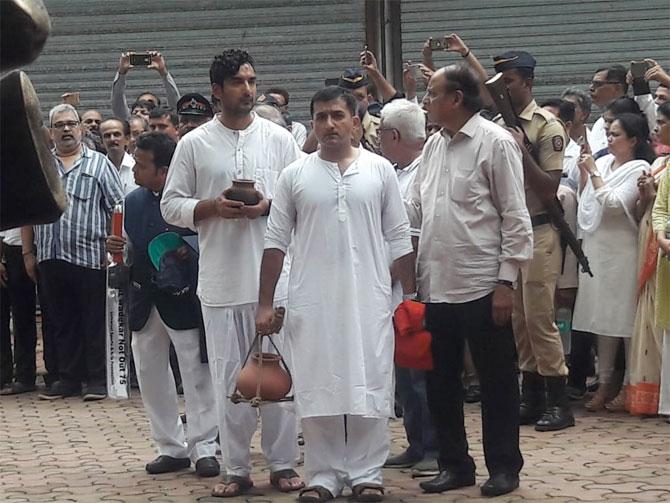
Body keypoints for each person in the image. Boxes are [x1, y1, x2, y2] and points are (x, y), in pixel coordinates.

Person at [256, 85, 415, 503]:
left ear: (356, 123)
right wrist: (265, 302)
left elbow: (399, 237)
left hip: (370, 297)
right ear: (312, 124)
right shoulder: (295, 174)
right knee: (318, 384)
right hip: (313, 299)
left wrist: (412, 299)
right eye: (321, 117)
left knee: (370, 382)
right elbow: (274, 242)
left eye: (337, 116)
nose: (328, 124)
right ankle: (323, 474)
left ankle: (366, 472)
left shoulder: (380, 170)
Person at [160, 49, 303, 498]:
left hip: (276, 281)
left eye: (253, 81)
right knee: (228, 379)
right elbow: (171, 205)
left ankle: (282, 465)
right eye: (239, 82)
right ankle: (237, 468)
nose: (249, 89)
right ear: (218, 91)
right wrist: (211, 208)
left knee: (281, 375)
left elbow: (302, 198)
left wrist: (267, 208)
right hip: (221, 282)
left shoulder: (279, 140)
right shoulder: (194, 143)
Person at [407, 64, 532, 497]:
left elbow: (515, 217)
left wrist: (506, 283)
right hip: (436, 285)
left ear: (456, 99)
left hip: (483, 285)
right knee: (441, 383)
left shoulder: (494, 143)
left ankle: (503, 467)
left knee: (496, 382)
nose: (426, 100)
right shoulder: (433, 147)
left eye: (432, 92)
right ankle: (454, 464)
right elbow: (415, 211)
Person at [106, 132, 220, 478]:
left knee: (196, 371)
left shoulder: (192, 199)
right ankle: (169, 446)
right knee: (151, 370)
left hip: (183, 295)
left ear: (164, 170)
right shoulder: (132, 200)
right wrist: (117, 249)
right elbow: (125, 248)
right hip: (145, 296)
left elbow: (209, 243)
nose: (135, 170)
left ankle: (204, 447)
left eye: (141, 164)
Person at [490, 51, 574, 431]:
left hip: (540, 228)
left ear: (527, 83)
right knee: (519, 321)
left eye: (509, 81)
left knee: (540, 318)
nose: (504, 88)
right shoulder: (496, 124)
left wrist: (520, 148)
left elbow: (548, 188)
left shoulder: (547, 127)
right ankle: (532, 396)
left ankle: (560, 402)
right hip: (511, 233)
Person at [32, 104, 124, 401]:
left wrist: (114, 247)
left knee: (93, 320)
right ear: (50, 132)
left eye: (72, 124)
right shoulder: (42, 166)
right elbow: (30, 211)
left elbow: (117, 206)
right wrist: (28, 254)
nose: (67, 129)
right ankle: (68, 379)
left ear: (82, 129)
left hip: (90, 256)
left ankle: (97, 379)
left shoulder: (98, 164)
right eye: (60, 125)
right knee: (62, 321)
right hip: (51, 255)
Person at [573, 113, 654, 411]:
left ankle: (632, 384)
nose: (609, 139)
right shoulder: (605, 164)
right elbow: (588, 204)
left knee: (624, 320)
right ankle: (605, 382)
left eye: (616, 134)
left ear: (633, 140)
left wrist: (593, 171)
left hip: (622, 251)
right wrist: (591, 172)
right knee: (601, 320)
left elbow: (615, 205)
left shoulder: (639, 167)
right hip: (597, 249)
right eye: (608, 133)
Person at [376, 99, 438, 477]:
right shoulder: (397, 172)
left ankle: (433, 447)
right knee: (405, 373)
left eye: (380, 131)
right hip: (396, 290)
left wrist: (409, 290)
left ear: (393, 135)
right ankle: (416, 443)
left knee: (422, 374)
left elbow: (410, 240)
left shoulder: (421, 175)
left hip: (414, 289)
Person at [628, 102, 670, 414]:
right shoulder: (661, 162)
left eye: (663, 121)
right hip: (657, 245)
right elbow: (655, 209)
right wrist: (647, 197)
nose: (656, 127)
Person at [0, 228, 37, 395]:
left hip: (21, 246)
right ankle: (3, 374)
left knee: (23, 315)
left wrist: (27, 252)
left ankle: (25, 375)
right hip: (5, 245)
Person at [112, 51, 180, 121]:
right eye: (136, 111)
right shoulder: (129, 124)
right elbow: (118, 102)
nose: (139, 113)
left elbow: (175, 107)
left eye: (150, 103)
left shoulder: (164, 124)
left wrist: (163, 72)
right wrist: (122, 72)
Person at [589, 65, 628, 153]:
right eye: (592, 83)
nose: (591, 88)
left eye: (598, 84)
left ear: (617, 88)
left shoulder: (633, 119)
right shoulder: (599, 123)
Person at [100, 118, 138, 195]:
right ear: (102, 141)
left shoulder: (137, 167)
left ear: (127, 139)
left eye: (116, 134)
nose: (112, 139)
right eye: (107, 136)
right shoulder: (98, 169)